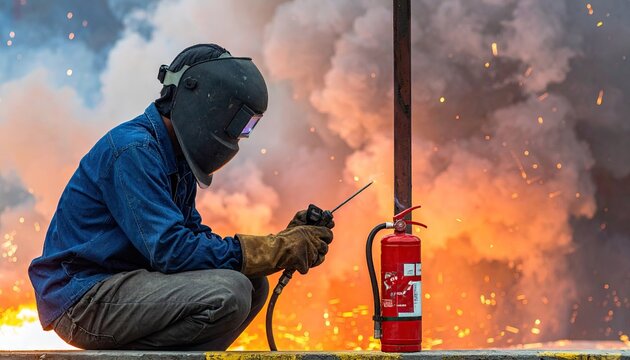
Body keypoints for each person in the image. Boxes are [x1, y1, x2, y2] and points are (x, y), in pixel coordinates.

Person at [28, 44, 334, 350]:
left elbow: (191, 237)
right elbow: (171, 251)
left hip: (124, 287)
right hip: (84, 300)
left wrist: (278, 242)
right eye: (235, 125)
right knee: (230, 292)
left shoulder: (175, 155)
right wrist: (274, 250)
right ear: (206, 102)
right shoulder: (134, 151)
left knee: (254, 285)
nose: (236, 137)